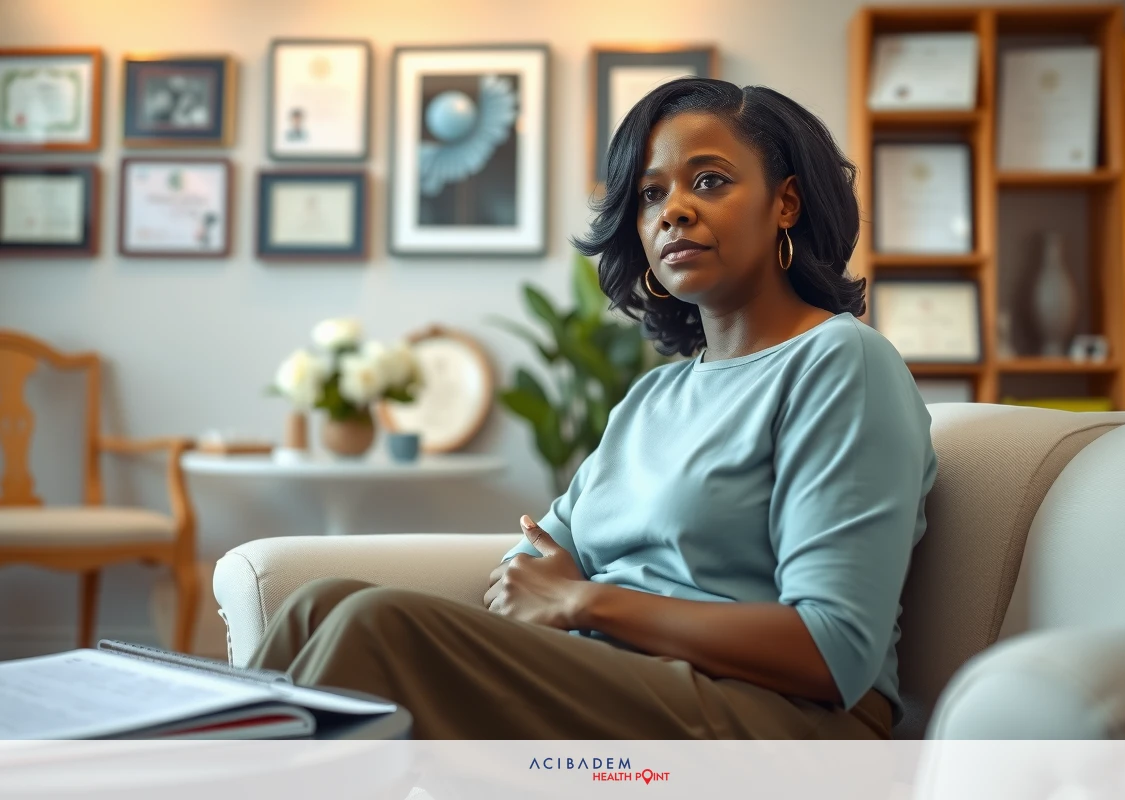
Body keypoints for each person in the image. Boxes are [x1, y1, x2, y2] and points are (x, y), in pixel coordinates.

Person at [248, 78, 938, 740]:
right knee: (319, 606)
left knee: (377, 627)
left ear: (785, 203)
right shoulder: (653, 396)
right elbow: (530, 569)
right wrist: (556, 596)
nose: (673, 210)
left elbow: (833, 650)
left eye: (709, 181)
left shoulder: (842, 363)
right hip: (618, 687)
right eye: (650, 193)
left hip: (774, 724)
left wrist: (585, 601)